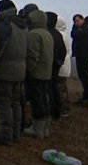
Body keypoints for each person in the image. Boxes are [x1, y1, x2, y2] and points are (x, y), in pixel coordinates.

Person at [0, 0, 27, 146]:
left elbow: (0, 48)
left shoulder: (5, 25)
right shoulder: (23, 24)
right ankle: (16, 134)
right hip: (20, 70)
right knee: (16, 104)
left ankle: (6, 136)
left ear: (1, 11)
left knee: (4, 104)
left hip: (5, 71)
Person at [23, 9, 54, 138]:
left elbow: (32, 56)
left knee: (37, 100)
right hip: (46, 72)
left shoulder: (34, 34)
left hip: (36, 73)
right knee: (44, 99)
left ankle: (37, 129)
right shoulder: (47, 34)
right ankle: (45, 128)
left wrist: (28, 70)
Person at [46, 11, 67, 121]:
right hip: (54, 66)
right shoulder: (57, 34)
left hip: (47, 66)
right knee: (54, 89)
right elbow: (63, 52)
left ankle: (51, 113)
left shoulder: (47, 33)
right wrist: (58, 64)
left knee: (48, 90)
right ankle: (56, 112)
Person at [71, 13, 88, 104]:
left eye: (77, 21)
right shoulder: (87, 28)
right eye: (74, 22)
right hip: (84, 55)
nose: (76, 23)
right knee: (85, 76)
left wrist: (74, 28)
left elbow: (74, 35)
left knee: (84, 76)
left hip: (84, 56)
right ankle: (87, 95)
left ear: (82, 20)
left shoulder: (85, 29)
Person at [54, 15, 72, 118]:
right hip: (65, 66)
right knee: (62, 88)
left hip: (61, 66)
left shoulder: (59, 35)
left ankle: (63, 110)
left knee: (60, 89)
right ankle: (64, 109)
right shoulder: (64, 34)